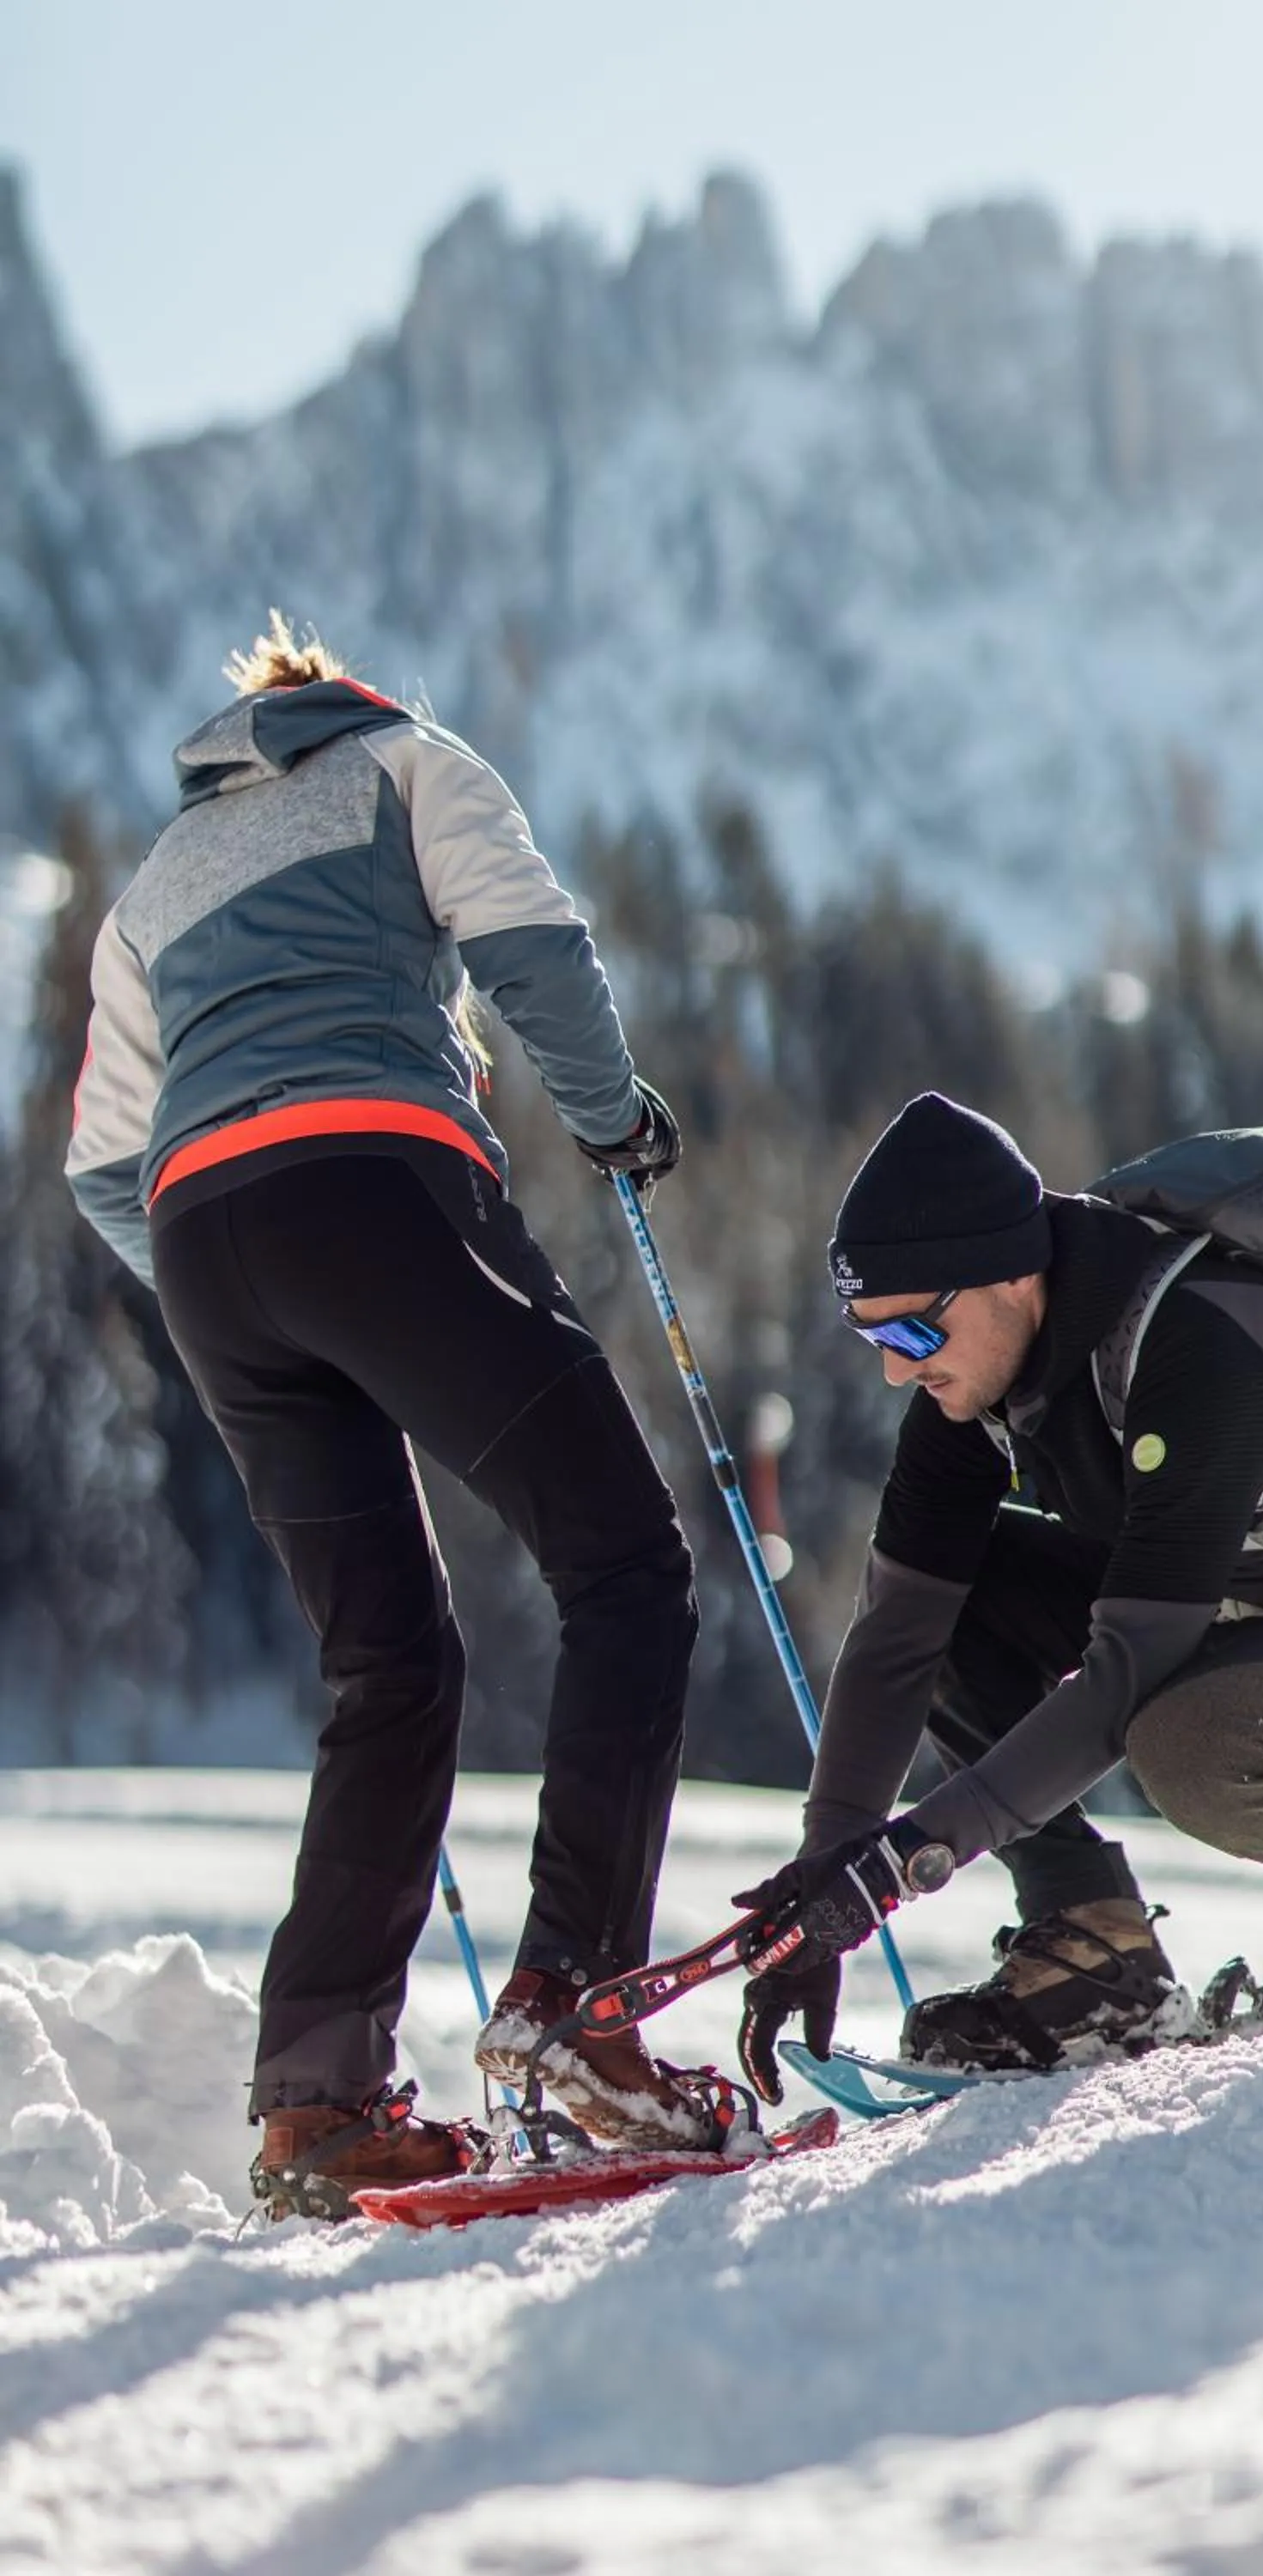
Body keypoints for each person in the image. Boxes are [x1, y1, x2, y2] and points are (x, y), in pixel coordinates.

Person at [67, 611, 719, 2217]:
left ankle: (315, 2104)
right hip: (377, 1180)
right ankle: (578, 2008)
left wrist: (245, 1281)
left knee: (390, 1660)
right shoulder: (408, 762)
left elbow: (100, 1167)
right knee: (628, 1568)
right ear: (340, 699)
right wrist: (614, 1118)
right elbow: (532, 951)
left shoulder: (151, 891)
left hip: (208, 1248)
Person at [734, 1091, 1263, 2100]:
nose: (893, 1371)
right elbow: (896, 1632)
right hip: (1238, 1625)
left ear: (1012, 1275)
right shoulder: (975, 1378)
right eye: (867, 1336)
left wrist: (903, 1863)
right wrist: (824, 1872)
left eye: (914, 1336)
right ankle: (1092, 1956)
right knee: (957, 1610)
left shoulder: (1201, 1353)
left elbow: (1126, 1674)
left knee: (1194, 1743)